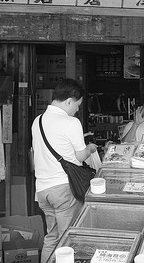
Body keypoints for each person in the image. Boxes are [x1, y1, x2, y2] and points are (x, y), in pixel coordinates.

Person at [31, 78, 98, 263]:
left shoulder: (38, 121)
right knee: (68, 239)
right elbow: (79, 156)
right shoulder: (71, 122)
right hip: (63, 190)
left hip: (43, 190)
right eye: (78, 104)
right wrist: (90, 148)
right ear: (69, 101)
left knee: (51, 238)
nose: (77, 109)